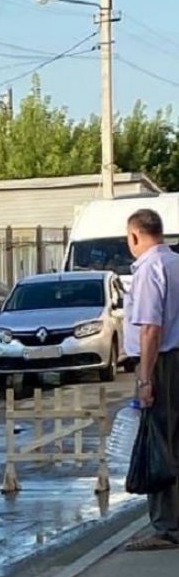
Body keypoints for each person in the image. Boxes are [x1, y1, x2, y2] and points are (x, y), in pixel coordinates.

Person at [123, 208, 179, 550]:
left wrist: (145, 379)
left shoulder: (149, 270)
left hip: (160, 363)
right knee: (175, 438)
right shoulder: (175, 263)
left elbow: (150, 329)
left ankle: (164, 526)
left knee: (158, 441)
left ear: (134, 236)